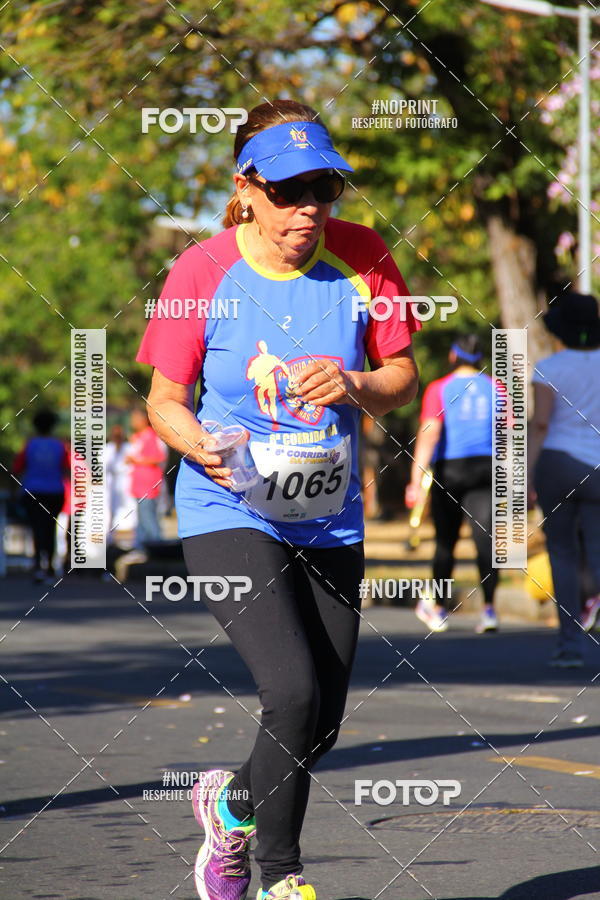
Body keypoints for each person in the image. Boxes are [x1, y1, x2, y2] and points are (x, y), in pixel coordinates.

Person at [136, 99, 420, 900]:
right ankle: (278, 878)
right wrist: (200, 446)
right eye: (292, 191)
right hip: (231, 509)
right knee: (290, 692)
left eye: (325, 190)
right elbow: (164, 399)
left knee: (319, 722)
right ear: (246, 187)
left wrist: (359, 383)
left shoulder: (365, 257)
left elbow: (403, 378)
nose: (310, 210)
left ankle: (229, 802)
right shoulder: (201, 270)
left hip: (329, 517)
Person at [405, 335, 499, 634]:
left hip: (451, 470)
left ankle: (438, 609)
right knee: (485, 541)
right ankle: (489, 610)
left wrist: (416, 480)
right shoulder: (496, 387)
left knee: (446, 542)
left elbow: (430, 433)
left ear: (452, 356)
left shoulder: (440, 388)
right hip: (487, 468)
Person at [528, 292, 600, 668]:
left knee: (562, 552)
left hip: (558, 463)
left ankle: (570, 642)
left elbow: (540, 424)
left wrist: (525, 477)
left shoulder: (549, 367)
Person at [12, 409, 69, 583]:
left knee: (36, 528)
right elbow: (67, 467)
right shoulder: (59, 445)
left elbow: (17, 467)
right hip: (55, 491)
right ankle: (51, 567)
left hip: (33, 491)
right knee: (50, 527)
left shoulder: (29, 445)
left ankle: (38, 566)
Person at [126, 407, 167, 553]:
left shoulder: (150, 436)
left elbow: (158, 458)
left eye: (135, 418)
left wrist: (135, 460)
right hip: (138, 485)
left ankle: (158, 550)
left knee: (149, 519)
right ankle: (144, 549)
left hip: (148, 485)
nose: (132, 421)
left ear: (144, 419)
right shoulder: (138, 436)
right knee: (142, 520)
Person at [105, 423, 137, 543]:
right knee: (112, 509)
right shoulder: (107, 449)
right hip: (112, 483)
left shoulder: (129, 447)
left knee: (130, 507)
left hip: (127, 481)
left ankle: (130, 536)